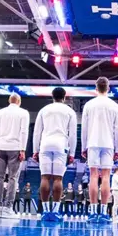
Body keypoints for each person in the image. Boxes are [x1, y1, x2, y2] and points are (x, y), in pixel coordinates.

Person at [32, 86, 78, 222]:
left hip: (45, 144)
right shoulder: (69, 111)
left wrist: (35, 150)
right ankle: (56, 211)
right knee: (58, 179)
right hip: (61, 145)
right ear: (64, 98)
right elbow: (73, 134)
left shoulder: (44, 110)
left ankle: (45, 211)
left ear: (52, 97)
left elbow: (37, 132)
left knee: (44, 178)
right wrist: (72, 153)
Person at [81, 77, 118, 224]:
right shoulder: (114, 106)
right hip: (108, 143)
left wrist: (83, 146)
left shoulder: (89, 105)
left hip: (92, 142)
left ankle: (93, 212)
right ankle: (104, 212)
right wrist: (117, 148)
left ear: (96, 88)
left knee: (93, 176)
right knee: (105, 177)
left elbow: (84, 129)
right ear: (108, 88)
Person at [0, 93, 30, 215]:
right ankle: (8, 207)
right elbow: (24, 132)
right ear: (19, 101)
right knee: (12, 178)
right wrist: (22, 149)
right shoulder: (24, 113)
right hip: (15, 147)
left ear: (9, 101)